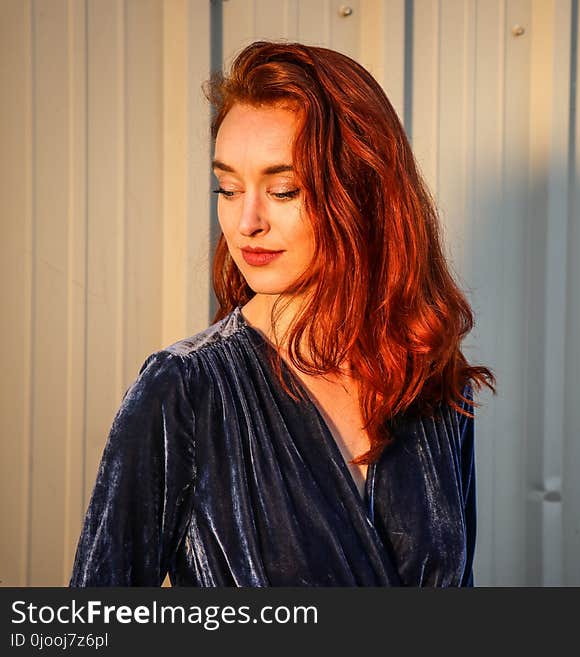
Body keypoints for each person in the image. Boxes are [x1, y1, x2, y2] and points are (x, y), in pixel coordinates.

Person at [69, 41, 494, 586]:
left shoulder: (432, 379)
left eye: (284, 189)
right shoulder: (183, 391)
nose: (246, 221)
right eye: (227, 188)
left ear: (363, 191)